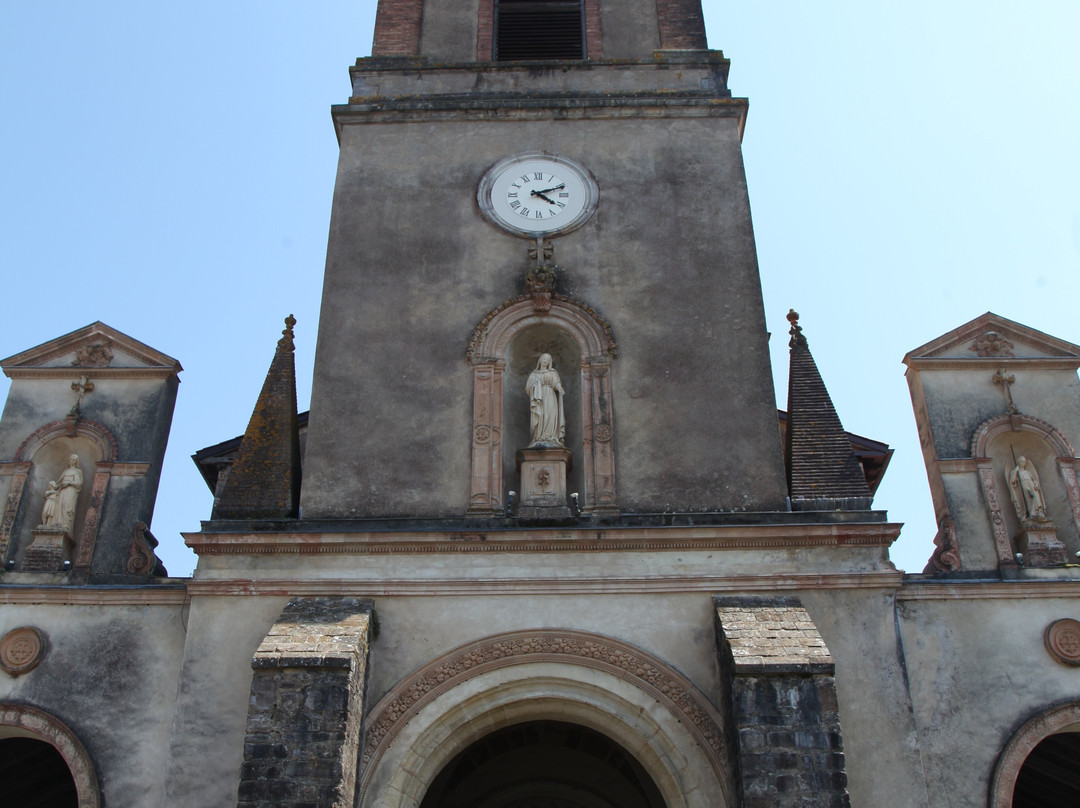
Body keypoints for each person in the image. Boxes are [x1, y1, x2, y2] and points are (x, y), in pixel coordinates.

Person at [526, 353, 565, 447]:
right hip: (538, 397)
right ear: (539, 360)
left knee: (550, 414)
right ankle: (538, 436)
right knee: (540, 416)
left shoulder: (552, 373)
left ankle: (551, 437)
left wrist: (559, 388)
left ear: (549, 362)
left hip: (550, 395)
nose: (545, 360)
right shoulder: (534, 374)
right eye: (543, 358)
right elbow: (528, 387)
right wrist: (535, 385)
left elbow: (556, 382)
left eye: (547, 359)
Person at [1008, 456, 1047, 521]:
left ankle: (1038, 512)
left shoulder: (1027, 472)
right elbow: (1012, 480)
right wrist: (1015, 471)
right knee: (1029, 497)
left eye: (1024, 461)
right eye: (1021, 461)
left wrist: (1036, 484)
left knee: (1036, 498)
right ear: (1018, 462)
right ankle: (1031, 513)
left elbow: (1034, 479)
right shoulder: (1016, 472)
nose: (1023, 463)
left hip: (1031, 485)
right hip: (1024, 485)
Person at [55, 454, 84, 534]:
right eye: (70, 459)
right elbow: (59, 482)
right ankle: (57, 523)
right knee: (60, 506)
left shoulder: (78, 471)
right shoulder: (65, 471)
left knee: (67, 506)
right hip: (63, 490)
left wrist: (68, 483)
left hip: (71, 490)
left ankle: (66, 524)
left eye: (73, 460)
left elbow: (78, 483)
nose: (71, 461)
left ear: (76, 462)